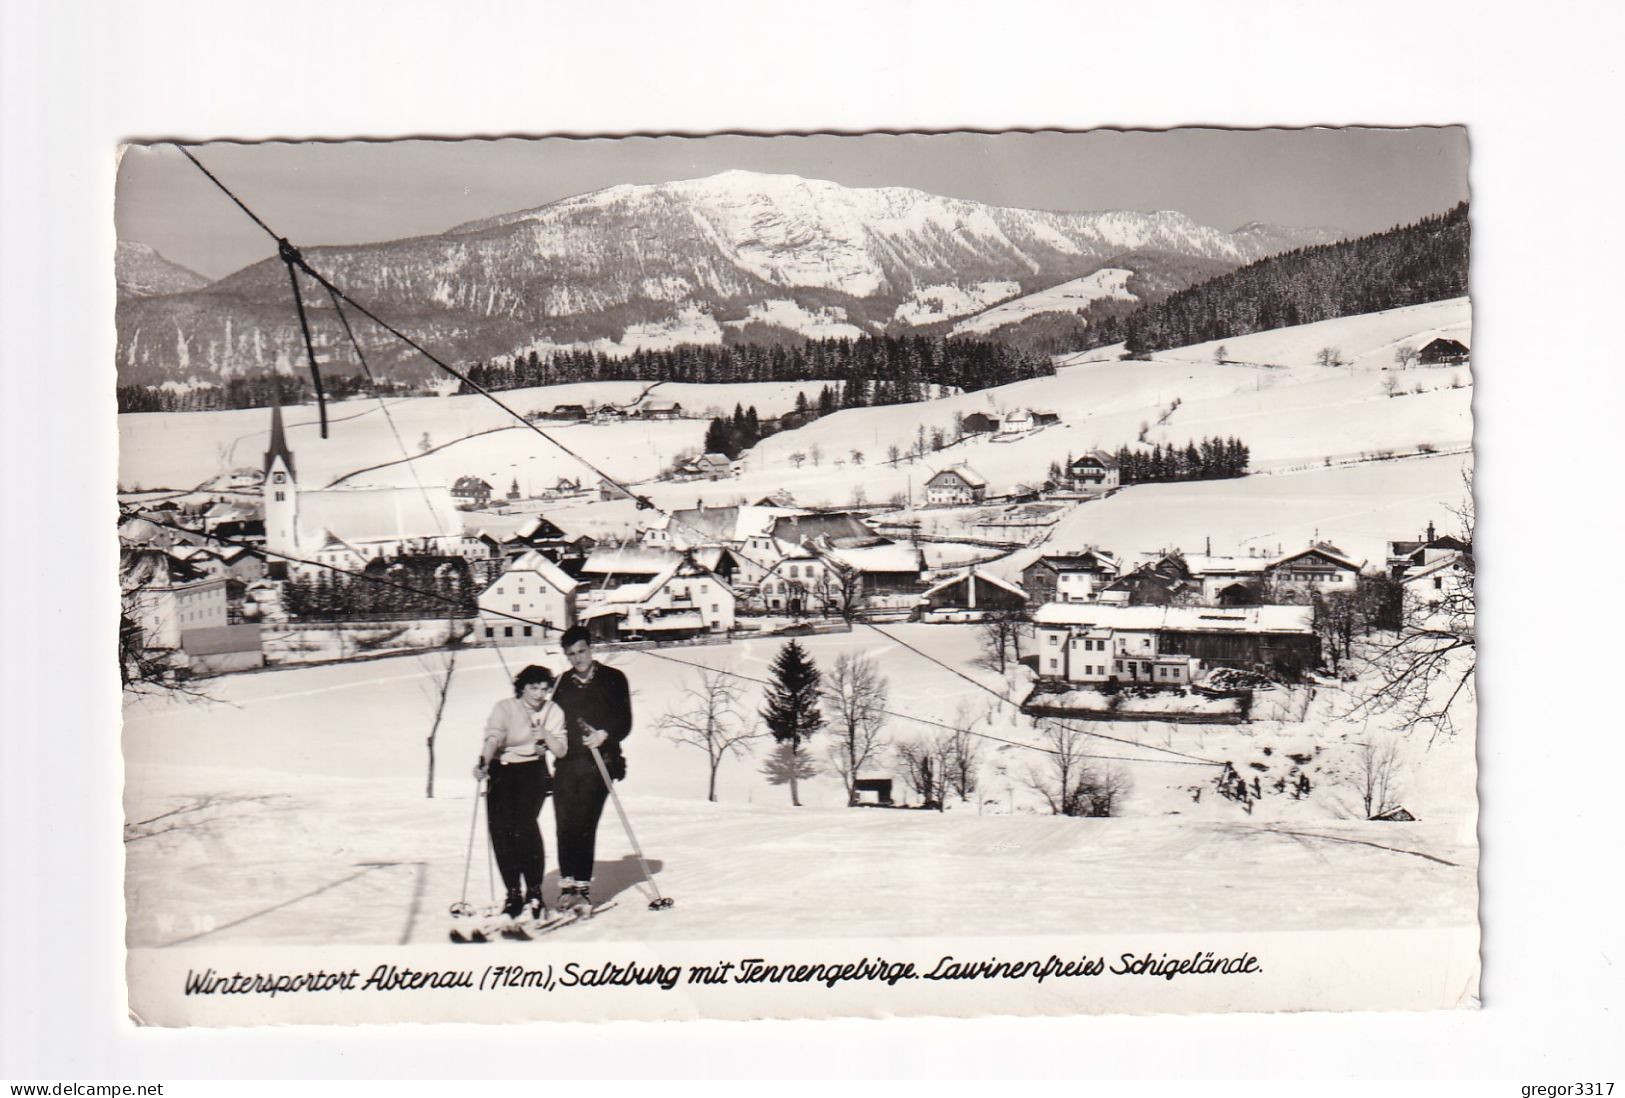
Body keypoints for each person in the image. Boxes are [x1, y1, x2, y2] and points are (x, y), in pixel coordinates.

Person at [547, 625, 632, 915]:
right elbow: (551, 721)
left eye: (581, 651)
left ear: (591, 648)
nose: (577, 658)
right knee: (564, 823)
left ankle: (582, 887)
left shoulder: (613, 679)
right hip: (568, 761)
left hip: (601, 760)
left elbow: (625, 721)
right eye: (571, 654)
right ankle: (567, 886)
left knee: (584, 822)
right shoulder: (560, 684)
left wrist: (605, 734)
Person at [474, 664, 566, 921]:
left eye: (544, 689)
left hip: (532, 773)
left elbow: (560, 750)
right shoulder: (504, 707)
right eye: (533, 687)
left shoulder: (552, 710)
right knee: (501, 831)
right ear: (521, 687)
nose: (539, 694)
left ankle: (535, 891)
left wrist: (545, 735)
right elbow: (493, 737)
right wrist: (483, 761)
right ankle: (513, 892)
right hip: (501, 770)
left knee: (525, 826)